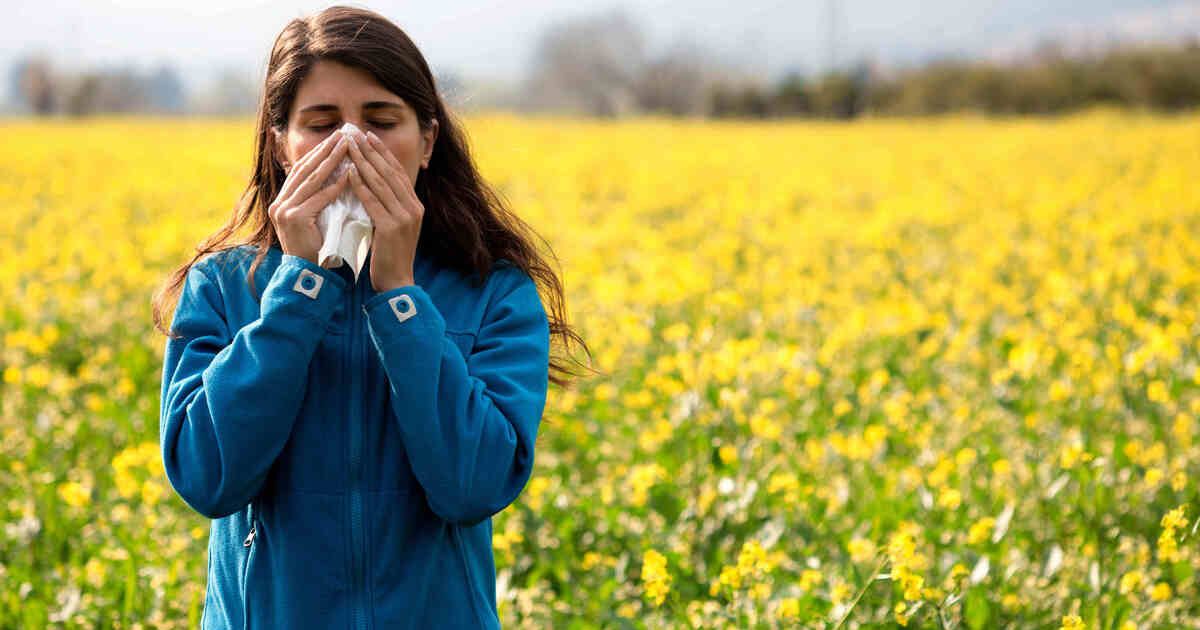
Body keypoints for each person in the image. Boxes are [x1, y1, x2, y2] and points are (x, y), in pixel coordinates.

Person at [151, 5, 593, 629]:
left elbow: (474, 488)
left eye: (382, 121)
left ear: (428, 142)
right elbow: (208, 478)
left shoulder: (492, 292)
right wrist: (299, 288)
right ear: (282, 145)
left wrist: (400, 297)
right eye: (322, 123)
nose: (353, 145)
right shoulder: (223, 289)